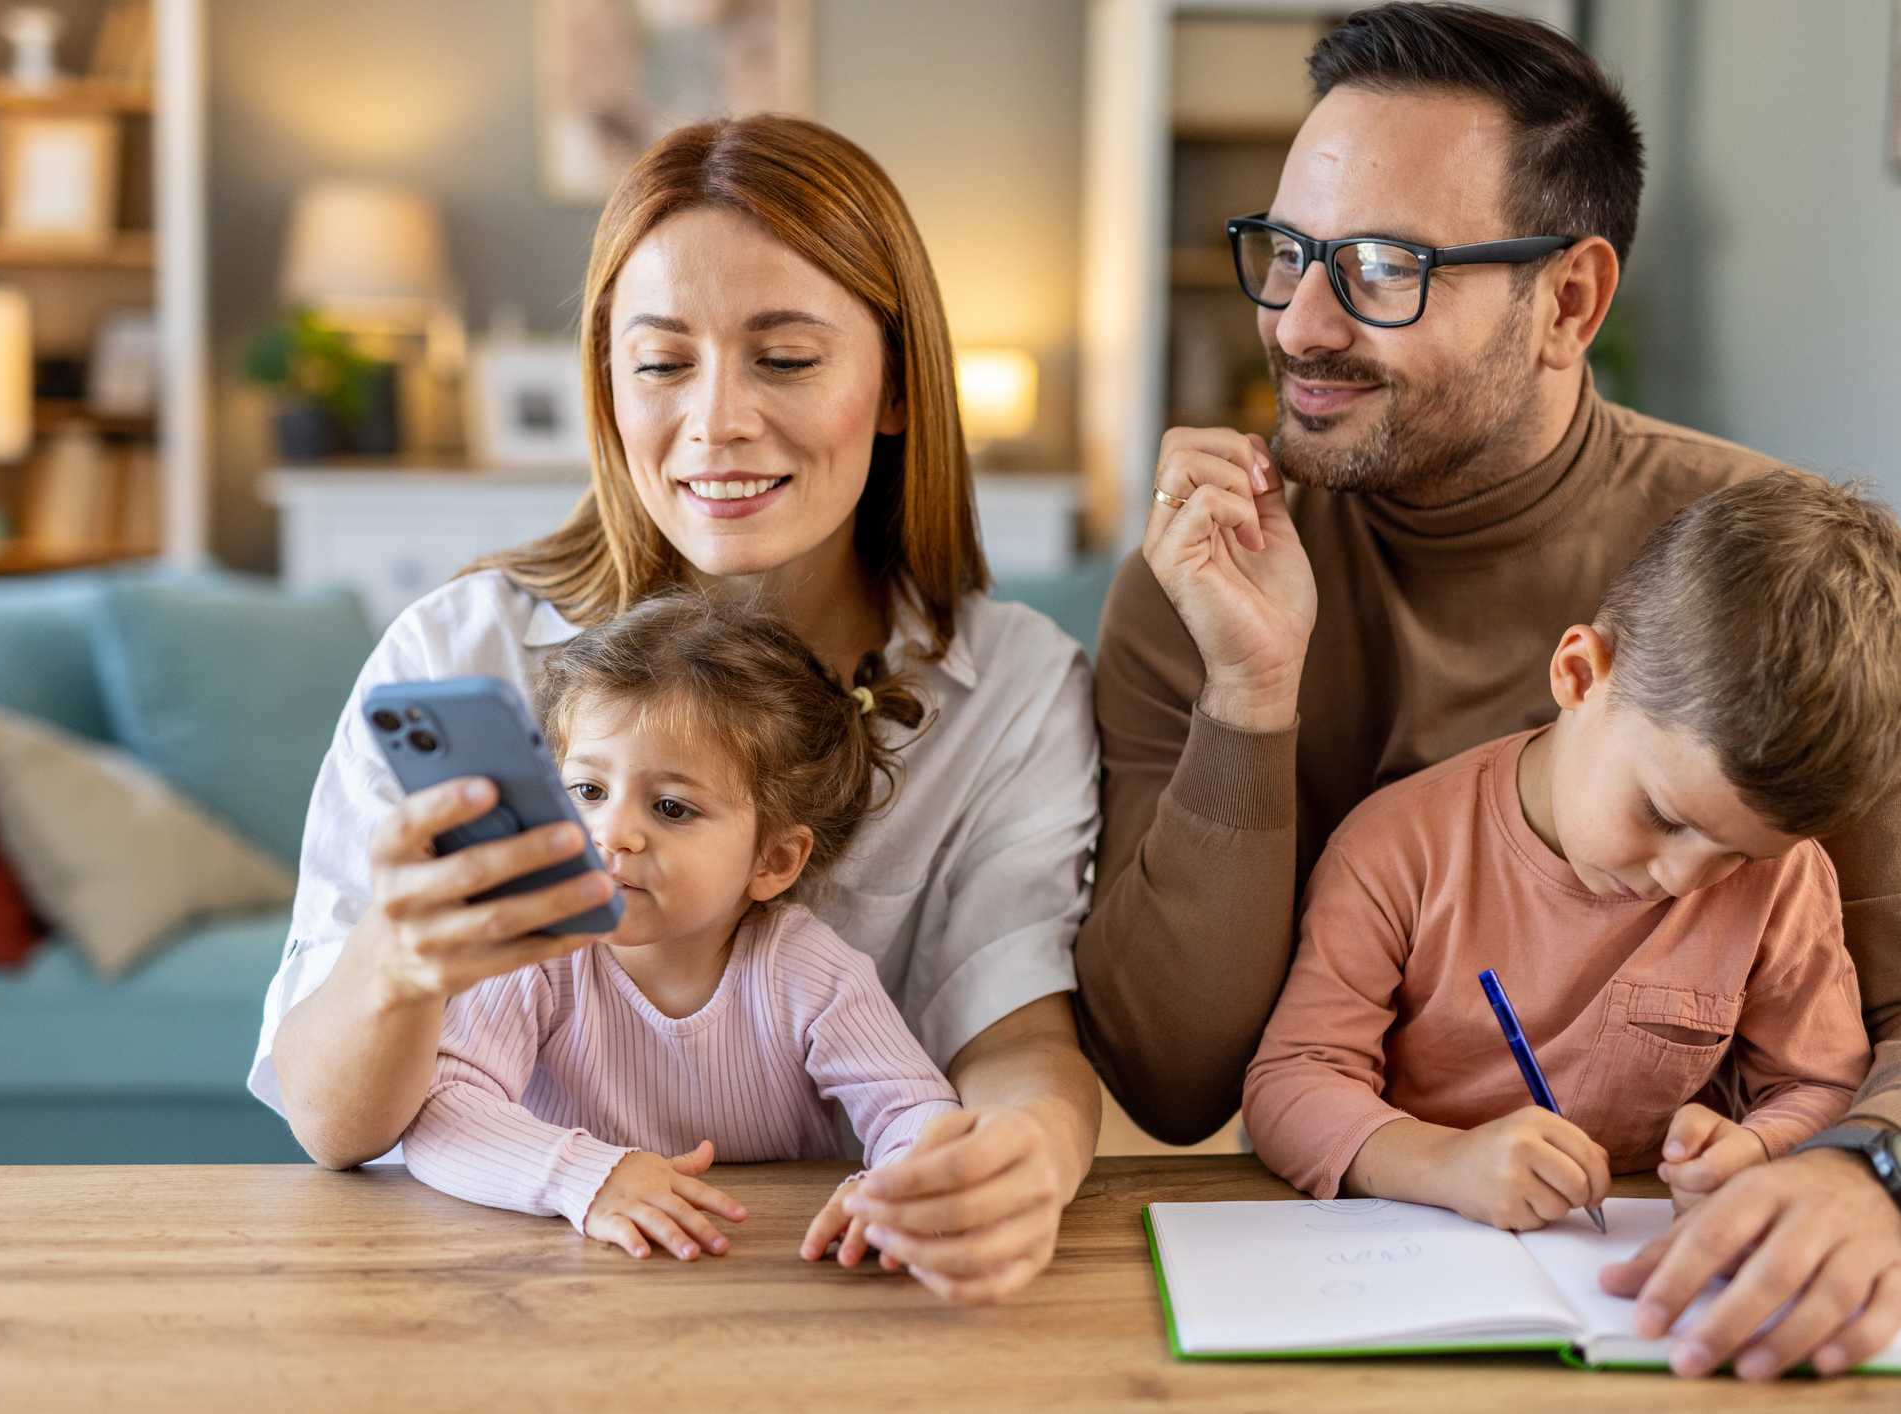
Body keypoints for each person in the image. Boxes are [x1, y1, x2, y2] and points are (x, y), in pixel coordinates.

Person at [1073, 1, 1901, 1379]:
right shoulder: (1206, 562)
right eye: (1288, 256)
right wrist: (1251, 689)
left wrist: (1863, 1166)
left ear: (1569, 300)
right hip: (1348, 1299)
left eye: (1386, 266)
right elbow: (1169, 1081)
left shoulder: (1765, 573)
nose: (1300, 323)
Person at [254, 115, 1102, 1305]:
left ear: (898, 384)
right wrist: (393, 965)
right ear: (608, 387)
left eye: (785, 359)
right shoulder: (465, 650)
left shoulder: (1013, 686)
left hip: (827, 1290)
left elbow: (1014, 1033)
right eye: (661, 363)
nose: (714, 421)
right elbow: (329, 1124)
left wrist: (1031, 1158)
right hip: (506, 1291)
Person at [1243, 473, 1897, 1227]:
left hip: (1628, 1258)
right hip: (1409, 1239)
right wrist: (1443, 1164)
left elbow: (1825, 1090)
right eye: (1663, 814)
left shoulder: (1788, 880)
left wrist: (1755, 1151)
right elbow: (1291, 1082)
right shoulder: (1394, 850)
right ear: (1579, 675)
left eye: (1740, 856)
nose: (1683, 879)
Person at [401, 595, 961, 1269]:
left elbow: (917, 1109)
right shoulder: (538, 950)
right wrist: (590, 1177)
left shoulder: (807, 970)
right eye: (587, 792)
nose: (614, 834)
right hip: (566, 1272)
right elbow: (438, 1115)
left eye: (671, 807)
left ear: (773, 861)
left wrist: (894, 1189)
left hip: (760, 1267)